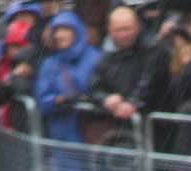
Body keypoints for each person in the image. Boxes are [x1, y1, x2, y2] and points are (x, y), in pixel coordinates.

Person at [32, 10, 99, 141]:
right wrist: (57, 100)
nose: (60, 35)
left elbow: (103, 87)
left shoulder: (95, 57)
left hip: (91, 133)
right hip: (62, 134)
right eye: (56, 31)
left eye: (65, 30)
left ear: (77, 31)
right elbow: (41, 98)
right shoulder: (50, 64)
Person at [84, 3, 149, 120]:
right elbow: (93, 87)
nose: (123, 35)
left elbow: (149, 83)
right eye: (118, 30)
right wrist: (105, 98)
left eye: (127, 29)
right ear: (110, 31)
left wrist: (132, 103)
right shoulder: (106, 57)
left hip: (148, 123)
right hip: (114, 121)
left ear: (137, 27)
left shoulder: (151, 51)